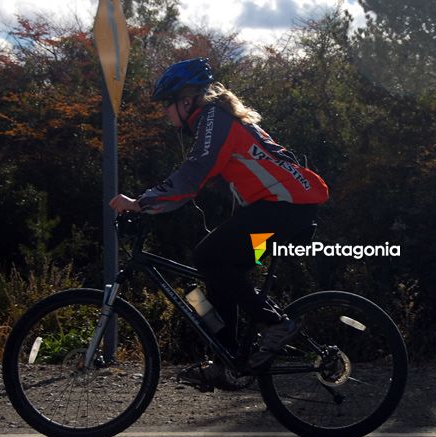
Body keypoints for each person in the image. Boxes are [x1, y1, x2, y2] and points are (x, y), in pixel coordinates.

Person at [109, 58, 329, 387]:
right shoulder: (216, 119)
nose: (164, 113)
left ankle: (275, 324)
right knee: (219, 268)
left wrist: (141, 203)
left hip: (286, 208)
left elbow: (195, 172)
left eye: (166, 105)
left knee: (208, 257)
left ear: (186, 100)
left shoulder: (214, 117)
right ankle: (228, 362)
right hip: (285, 209)